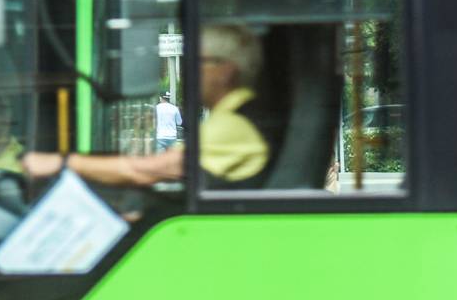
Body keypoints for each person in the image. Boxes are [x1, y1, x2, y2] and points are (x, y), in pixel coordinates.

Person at [23, 23, 272, 187]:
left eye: (195, 61)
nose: (185, 71)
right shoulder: (239, 117)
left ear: (225, 70)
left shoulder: (233, 124)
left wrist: (61, 163)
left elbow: (149, 171)